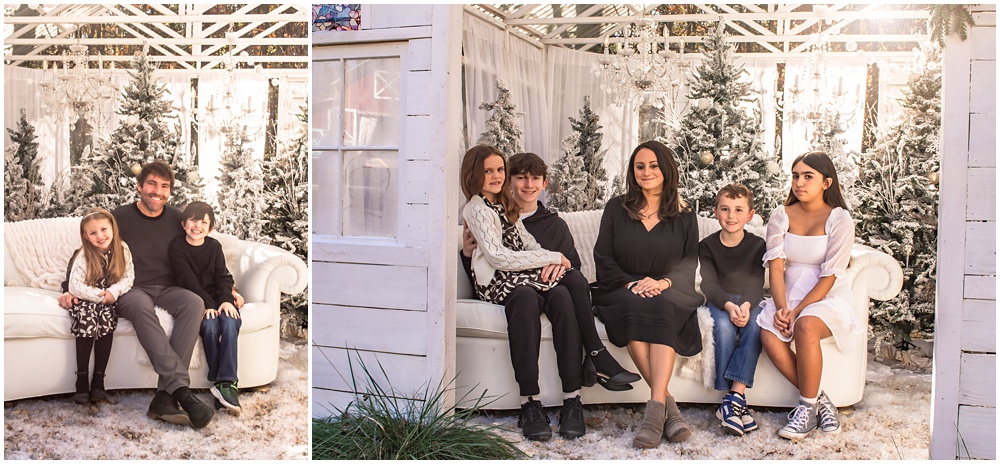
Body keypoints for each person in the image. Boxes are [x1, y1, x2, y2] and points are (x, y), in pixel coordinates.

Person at [460, 146, 639, 442]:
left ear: (544, 183)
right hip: (505, 280)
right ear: (473, 174)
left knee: (568, 291)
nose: (495, 176)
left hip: (527, 277)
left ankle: (572, 399)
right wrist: (551, 258)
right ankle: (533, 401)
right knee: (550, 289)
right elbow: (495, 257)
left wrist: (552, 258)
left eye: (499, 170)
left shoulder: (507, 206)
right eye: (489, 171)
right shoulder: (477, 208)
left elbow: (529, 243)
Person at [59, 161, 214, 429]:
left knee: (194, 302)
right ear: (139, 186)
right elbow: (87, 252)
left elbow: (201, 254)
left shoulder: (178, 219)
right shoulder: (119, 217)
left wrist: (227, 290)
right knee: (142, 308)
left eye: (164, 186)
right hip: (132, 289)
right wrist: (67, 289)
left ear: (170, 191)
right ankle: (180, 391)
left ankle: (165, 396)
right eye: (152, 184)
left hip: (170, 288)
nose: (158, 191)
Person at [591, 140, 703, 448]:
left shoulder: (684, 215)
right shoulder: (617, 207)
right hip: (621, 288)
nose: (646, 172)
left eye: (653, 166)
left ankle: (653, 415)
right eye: (640, 166)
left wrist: (664, 283)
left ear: (666, 170)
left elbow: (688, 263)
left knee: (662, 305)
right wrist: (629, 283)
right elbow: (603, 256)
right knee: (633, 304)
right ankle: (666, 408)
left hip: (667, 289)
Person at [757, 151, 856, 440]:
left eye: (808, 176)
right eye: (796, 175)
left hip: (826, 294)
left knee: (806, 325)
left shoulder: (840, 220)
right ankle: (820, 401)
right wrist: (782, 307)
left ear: (826, 182)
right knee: (770, 336)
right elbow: (776, 269)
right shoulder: (781, 215)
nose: (799, 183)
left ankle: (805, 408)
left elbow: (830, 275)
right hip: (787, 293)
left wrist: (798, 311)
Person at [698, 184, 766, 437]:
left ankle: (732, 398)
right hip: (719, 300)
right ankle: (735, 402)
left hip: (749, 300)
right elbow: (709, 284)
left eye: (738, 210)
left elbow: (756, 282)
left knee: (757, 324)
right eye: (725, 209)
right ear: (716, 212)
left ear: (750, 215)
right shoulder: (706, 246)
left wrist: (747, 305)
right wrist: (729, 305)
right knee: (724, 326)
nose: (731, 215)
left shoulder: (758, 245)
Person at [169, 201, 243, 415]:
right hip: (196, 299)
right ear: (184, 224)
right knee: (210, 326)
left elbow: (222, 277)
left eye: (204, 222)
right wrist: (208, 305)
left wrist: (227, 300)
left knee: (229, 322)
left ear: (210, 228)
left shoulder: (214, 246)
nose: (197, 226)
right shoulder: (177, 247)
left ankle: (226, 383)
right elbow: (187, 280)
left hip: (220, 298)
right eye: (193, 220)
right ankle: (223, 386)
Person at [66, 208, 135, 405]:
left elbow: (128, 277)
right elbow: (74, 285)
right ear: (85, 236)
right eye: (93, 233)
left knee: (106, 318)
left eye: (104, 229)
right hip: (88, 298)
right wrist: (98, 296)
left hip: (109, 298)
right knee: (87, 317)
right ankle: (81, 379)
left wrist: (114, 291)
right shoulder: (83, 255)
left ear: (113, 228)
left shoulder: (122, 250)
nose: (100, 236)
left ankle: (98, 380)